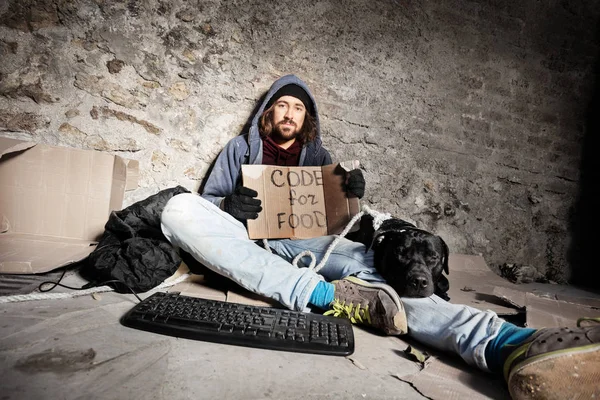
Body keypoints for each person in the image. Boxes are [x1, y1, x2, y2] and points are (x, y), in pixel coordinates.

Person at [160, 74, 600, 399]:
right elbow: (209, 201)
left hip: (312, 242)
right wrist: (227, 208)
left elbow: (339, 219)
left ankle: (506, 343)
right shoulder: (239, 150)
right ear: (267, 113)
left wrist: (352, 196)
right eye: (281, 106)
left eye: (297, 108)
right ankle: (322, 296)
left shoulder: (320, 156)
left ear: (306, 118)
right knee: (177, 208)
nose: (289, 114)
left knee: (382, 276)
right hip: (250, 242)